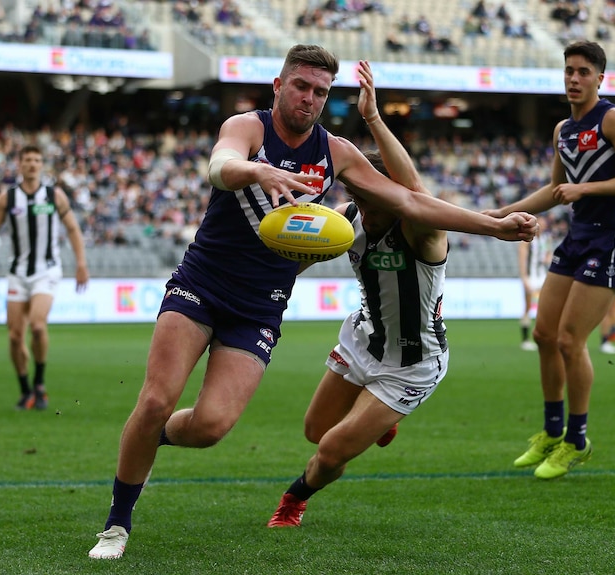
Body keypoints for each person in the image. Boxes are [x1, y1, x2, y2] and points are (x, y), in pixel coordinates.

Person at [87, 45, 538, 560]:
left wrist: (494, 226)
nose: (309, 98)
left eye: (320, 91)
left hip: (260, 306)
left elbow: (411, 199)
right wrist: (259, 172)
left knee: (211, 427)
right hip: (202, 283)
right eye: (300, 86)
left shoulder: (338, 153)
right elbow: (220, 165)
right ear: (278, 86)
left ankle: (150, 436)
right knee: (155, 399)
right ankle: (116, 525)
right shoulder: (249, 128)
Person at [266, 61, 539, 528]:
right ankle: (379, 420)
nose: (364, 206)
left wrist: (373, 118)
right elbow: (306, 252)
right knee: (316, 430)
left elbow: (414, 190)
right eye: (357, 194)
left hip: (413, 361)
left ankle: (293, 501)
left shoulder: (420, 229)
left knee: (331, 449)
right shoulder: (347, 218)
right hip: (364, 340)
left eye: (374, 198)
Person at [484, 40, 615, 479]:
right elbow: (554, 190)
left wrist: (585, 190)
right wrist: (502, 212)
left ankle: (577, 441)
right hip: (576, 238)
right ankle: (552, 433)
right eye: (568, 71)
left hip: (611, 240)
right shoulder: (563, 130)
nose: (573, 79)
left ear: (600, 77)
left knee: (570, 341)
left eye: (582, 72)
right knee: (543, 333)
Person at [0, 145, 89, 410]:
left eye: (37, 160)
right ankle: (25, 390)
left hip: (46, 271)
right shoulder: (8, 199)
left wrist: (81, 263)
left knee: (37, 326)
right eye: (28, 160)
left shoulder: (54, 196)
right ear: (20, 164)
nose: (32, 164)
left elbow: (72, 229)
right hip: (17, 272)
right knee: (14, 336)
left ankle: (39, 383)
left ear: (42, 164)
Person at [517, 215, 553, 351]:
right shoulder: (526, 241)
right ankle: (525, 339)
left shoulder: (546, 239)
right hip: (531, 277)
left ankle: (542, 336)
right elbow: (522, 259)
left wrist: (547, 259)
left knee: (544, 307)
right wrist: (524, 278)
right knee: (528, 307)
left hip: (542, 276)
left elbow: (549, 254)